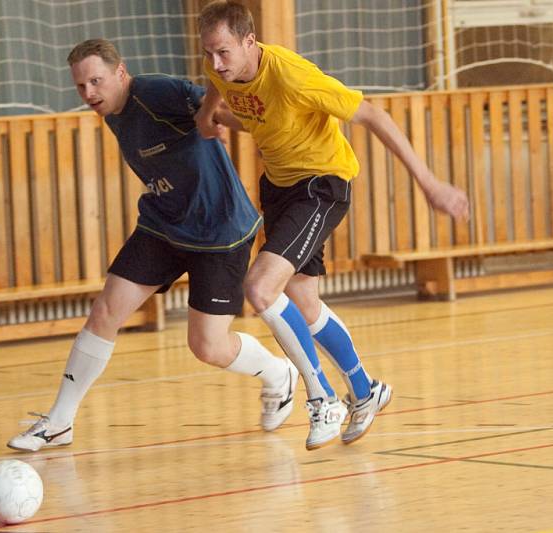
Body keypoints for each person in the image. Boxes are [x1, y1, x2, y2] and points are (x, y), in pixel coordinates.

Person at [195, 1, 469, 450]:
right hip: (280, 187)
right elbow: (253, 116)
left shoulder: (292, 74)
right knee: (303, 303)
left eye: (223, 52)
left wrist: (430, 183)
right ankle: (365, 391)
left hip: (321, 184)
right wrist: (211, 116)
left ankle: (322, 398)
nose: (216, 64)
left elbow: (374, 116)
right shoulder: (222, 69)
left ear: (250, 41)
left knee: (261, 289)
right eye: (208, 54)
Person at [7, 38, 298, 452]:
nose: (89, 93)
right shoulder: (112, 112)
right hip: (163, 224)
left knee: (207, 346)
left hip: (220, 230)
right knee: (106, 311)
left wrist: (232, 123)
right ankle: (59, 422)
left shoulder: (156, 92)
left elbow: (219, 107)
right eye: (81, 86)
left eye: (96, 81)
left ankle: (277, 373)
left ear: (121, 73)